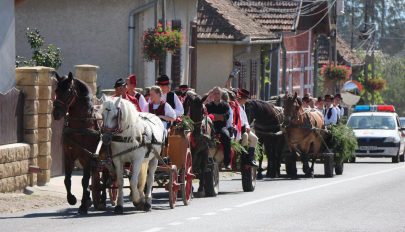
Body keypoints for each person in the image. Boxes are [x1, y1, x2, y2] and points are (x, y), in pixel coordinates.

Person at [205, 87, 232, 169]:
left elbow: (225, 117)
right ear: (212, 95)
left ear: (221, 95)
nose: (216, 95)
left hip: (221, 127)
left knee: (227, 137)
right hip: (210, 127)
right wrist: (218, 116)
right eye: (215, 93)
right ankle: (205, 161)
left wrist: (213, 116)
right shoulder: (208, 105)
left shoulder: (225, 105)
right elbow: (206, 116)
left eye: (218, 93)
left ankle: (227, 163)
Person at [237, 88, 258, 167]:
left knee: (255, 138)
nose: (246, 100)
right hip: (238, 129)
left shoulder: (243, 106)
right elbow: (237, 119)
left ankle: (250, 158)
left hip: (244, 128)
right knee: (245, 136)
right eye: (245, 98)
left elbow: (245, 119)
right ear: (240, 98)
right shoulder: (235, 106)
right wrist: (245, 127)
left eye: (246, 98)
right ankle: (244, 158)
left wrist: (247, 126)